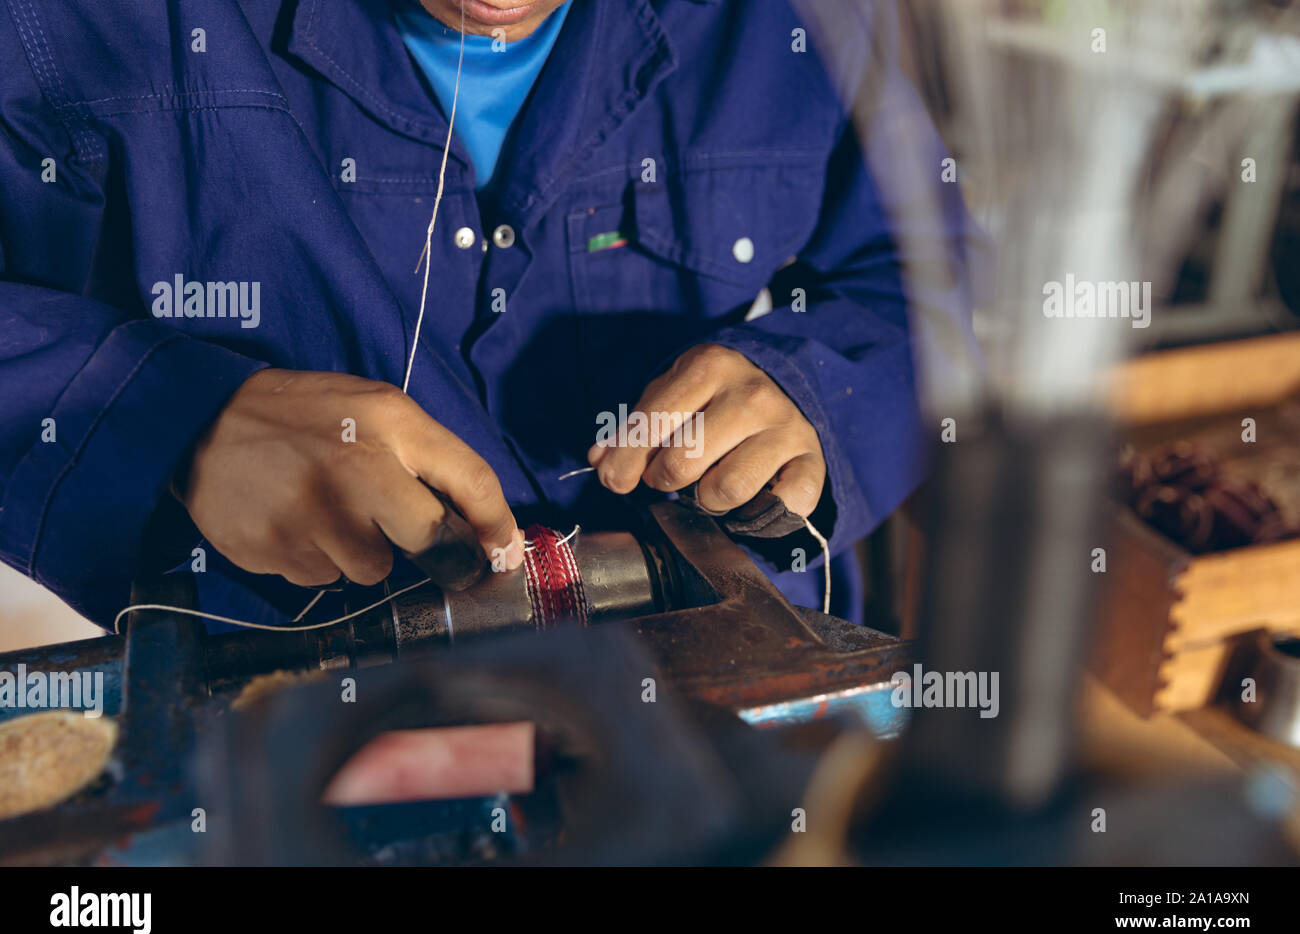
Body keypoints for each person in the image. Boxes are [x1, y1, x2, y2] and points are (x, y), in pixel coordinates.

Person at [0, 0, 979, 629]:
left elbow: (931, 279)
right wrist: (174, 418)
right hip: (293, 701)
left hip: (722, 678)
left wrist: (820, 391)